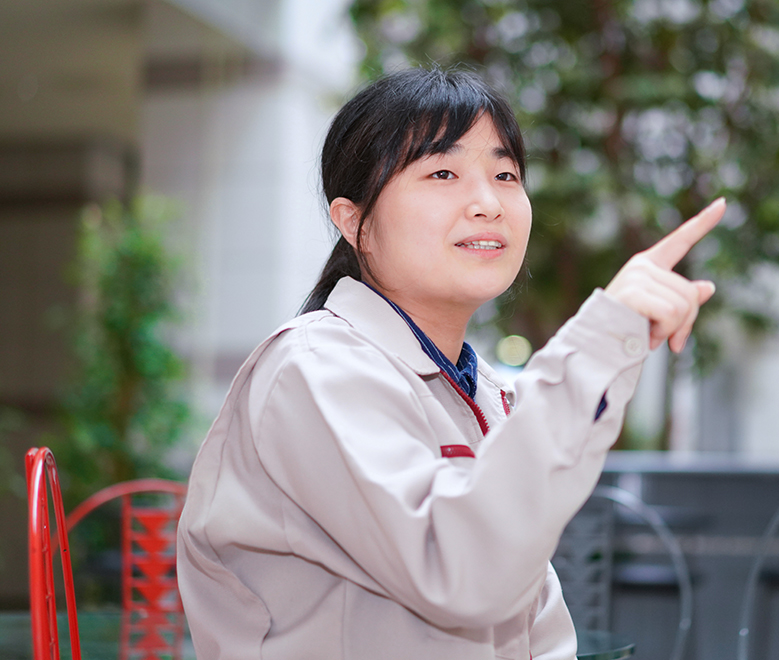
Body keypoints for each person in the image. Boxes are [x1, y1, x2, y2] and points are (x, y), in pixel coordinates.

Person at [177, 67, 724, 660]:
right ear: (353, 220)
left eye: (506, 174)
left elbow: (536, 625)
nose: (488, 203)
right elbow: (461, 571)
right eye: (442, 172)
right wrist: (595, 346)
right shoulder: (312, 370)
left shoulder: (481, 390)